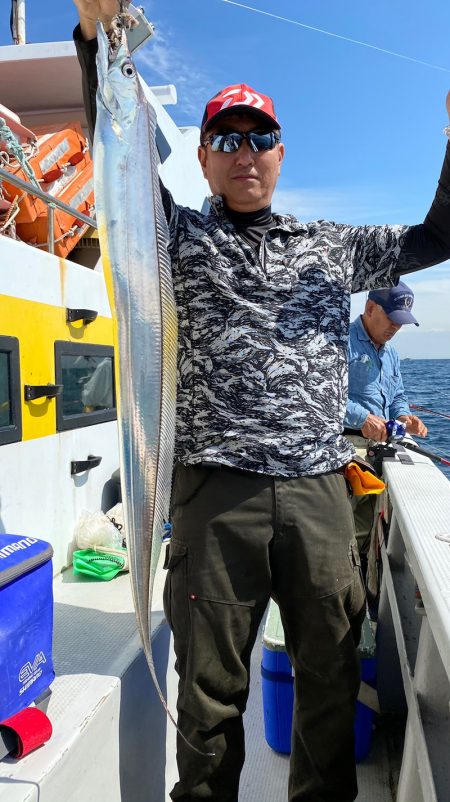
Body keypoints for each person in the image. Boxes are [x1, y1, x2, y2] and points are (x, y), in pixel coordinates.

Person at [72, 4, 450, 800]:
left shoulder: (330, 244)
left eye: (261, 139)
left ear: (281, 154)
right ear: (205, 161)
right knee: (208, 703)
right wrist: (94, 43)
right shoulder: (173, 239)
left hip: (318, 493)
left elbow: (438, 235)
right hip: (217, 498)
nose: (246, 154)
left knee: (328, 684)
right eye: (228, 140)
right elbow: (119, 156)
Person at [343, 282, 427, 599]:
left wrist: (404, 416)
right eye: (392, 318)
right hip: (345, 448)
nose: (395, 327)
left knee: (368, 531)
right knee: (348, 528)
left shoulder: (390, 352)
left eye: (401, 322)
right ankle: (343, 594)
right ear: (369, 308)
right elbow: (321, 397)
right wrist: (361, 419)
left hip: (380, 449)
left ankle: (362, 590)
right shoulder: (340, 342)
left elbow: (398, 397)